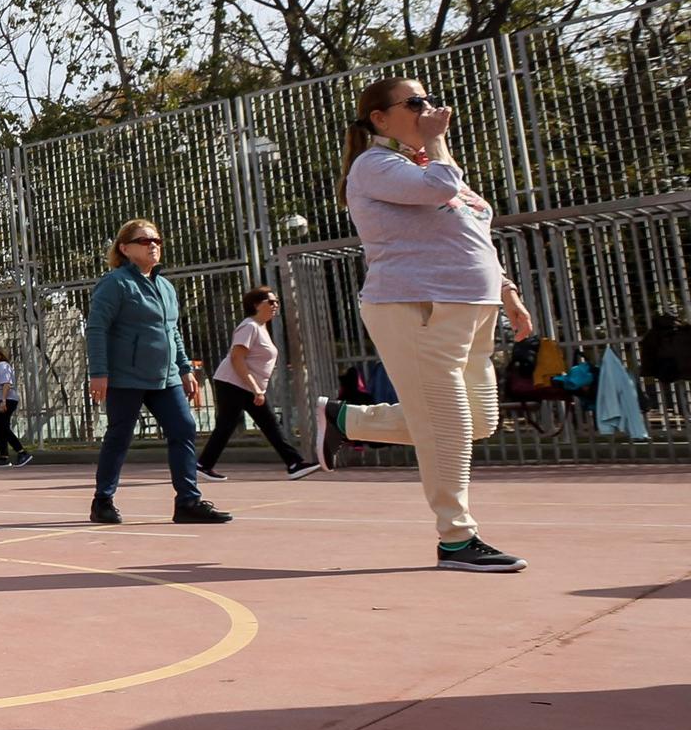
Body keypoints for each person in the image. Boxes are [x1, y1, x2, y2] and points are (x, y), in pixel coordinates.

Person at [314, 77, 532, 573]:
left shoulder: (426, 165)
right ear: (380, 119)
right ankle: (456, 538)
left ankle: (348, 420)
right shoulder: (374, 167)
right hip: (415, 305)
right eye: (416, 103)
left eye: (430, 100)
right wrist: (436, 142)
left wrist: (508, 292)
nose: (429, 108)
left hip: (473, 308)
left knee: (480, 421)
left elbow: (474, 228)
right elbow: (442, 189)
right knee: (450, 423)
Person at [86, 220, 232, 526]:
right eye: (144, 240)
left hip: (164, 378)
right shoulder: (115, 283)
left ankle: (188, 502)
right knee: (119, 437)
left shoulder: (165, 286)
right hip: (125, 376)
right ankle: (102, 501)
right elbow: (97, 329)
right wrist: (99, 372)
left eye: (157, 239)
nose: (153, 244)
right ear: (125, 249)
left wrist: (184, 368)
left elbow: (172, 331)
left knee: (183, 428)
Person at [198, 288, 319, 482]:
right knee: (231, 425)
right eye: (270, 302)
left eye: (276, 301)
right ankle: (293, 463)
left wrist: (255, 388)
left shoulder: (260, 327)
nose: (275, 305)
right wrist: (255, 388)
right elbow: (237, 358)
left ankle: (294, 463)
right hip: (234, 383)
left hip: (245, 385)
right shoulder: (249, 326)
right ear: (256, 305)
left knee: (266, 424)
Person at [0, 344, 33, 468]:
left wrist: (3, 400)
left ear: (0, 354)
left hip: (4, 400)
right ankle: (4, 457)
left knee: (3, 428)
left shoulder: (3, 366)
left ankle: (22, 452)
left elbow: (6, 384)